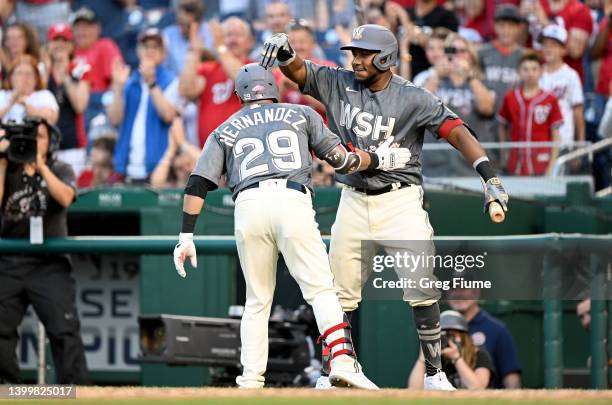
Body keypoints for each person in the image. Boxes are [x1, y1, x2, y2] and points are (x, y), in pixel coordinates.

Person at [261, 23, 509, 390]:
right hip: (353, 198)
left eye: (364, 53)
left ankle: (435, 373)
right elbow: (300, 71)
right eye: (354, 52)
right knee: (337, 291)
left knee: (421, 286)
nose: (356, 60)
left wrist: (488, 176)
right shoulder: (339, 81)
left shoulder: (412, 97)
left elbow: (457, 130)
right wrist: (286, 53)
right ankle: (336, 370)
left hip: (400, 199)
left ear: (386, 58)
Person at [173, 63, 412, 389]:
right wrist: (380, 159)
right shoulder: (300, 113)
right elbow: (342, 160)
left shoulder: (225, 128)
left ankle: (250, 380)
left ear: (240, 95)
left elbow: (197, 184)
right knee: (321, 290)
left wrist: (186, 235)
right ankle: (342, 361)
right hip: (291, 199)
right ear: (272, 87)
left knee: (257, 300)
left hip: (249, 204)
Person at [0, 116, 89, 384]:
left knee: (64, 331)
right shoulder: (7, 166)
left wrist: (39, 166)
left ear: (50, 142)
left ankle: (77, 395)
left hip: (48, 263)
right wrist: (3, 163)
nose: (32, 142)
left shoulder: (60, 167)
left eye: (39, 137)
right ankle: (8, 394)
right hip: (10, 261)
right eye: (28, 136)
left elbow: (65, 198)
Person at [108, 28, 181, 184]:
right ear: (138, 51)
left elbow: (168, 115)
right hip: (126, 168)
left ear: (164, 53)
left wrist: (151, 83)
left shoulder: (171, 81)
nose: (150, 50)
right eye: (146, 46)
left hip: (159, 171)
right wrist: (118, 88)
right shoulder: (128, 81)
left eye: (155, 47)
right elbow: (114, 119)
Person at [179, 17, 254, 146]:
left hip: (243, 150)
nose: (232, 40)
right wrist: (194, 53)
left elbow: (244, 81)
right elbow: (186, 90)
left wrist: (221, 47)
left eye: (237, 35)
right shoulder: (209, 69)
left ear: (249, 42)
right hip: (211, 153)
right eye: (227, 35)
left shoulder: (256, 67)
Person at [498, 51, 563, 175]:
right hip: (515, 163)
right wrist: (504, 153)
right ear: (519, 72)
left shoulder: (550, 99)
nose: (530, 73)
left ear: (541, 71)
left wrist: (552, 165)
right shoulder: (510, 97)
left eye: (534, 69)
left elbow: (556, 135)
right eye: (525, 69)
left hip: (541, 163)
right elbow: (502, 125)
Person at [448, 286, 522, 388]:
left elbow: (511, 376)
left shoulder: (496, 329)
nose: (458, 293)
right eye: (453, 288)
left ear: (476, 292)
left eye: (464, 288)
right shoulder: (439, 329)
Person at [45, 23, 91, 177]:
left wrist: (64, 75)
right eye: (55, 40)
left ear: (71, 46)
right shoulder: (40, 71)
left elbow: (80, 105)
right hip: (44, 146)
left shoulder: (81, 70)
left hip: (73, 146)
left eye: (64, 41)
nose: (60, 45)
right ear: (48, 45)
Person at [408, 310, 495, 389]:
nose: (447, 339)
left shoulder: (478, 355)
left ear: (464, 337)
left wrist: (457, 358)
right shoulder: (435, 359)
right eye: (443, 335)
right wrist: (423, 358)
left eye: (452, 334)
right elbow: (414, 390)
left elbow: (478, 388)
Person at [71, 6, 123, 129]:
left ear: (97, 28)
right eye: (78, 27)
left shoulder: (105, 46)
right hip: (74, 106)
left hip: (99, 104)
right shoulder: (70, 52)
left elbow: (116, 81)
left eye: (86, 27)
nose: (81, 32)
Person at [538, 25, 585, 154]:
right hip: (537, 143)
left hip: (564, 141)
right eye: (545, 45)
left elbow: (578, 112)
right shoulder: (535, 73)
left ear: (563, 49)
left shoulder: (571, 75)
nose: (548, 49)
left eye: (553, 45)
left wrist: (580, 147)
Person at [406, 0, 459, 78]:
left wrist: (406, 22)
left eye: (439, 47)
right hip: (407, 70)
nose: (436, 51)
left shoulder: (446, 16)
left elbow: (452, 46)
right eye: (432, 48)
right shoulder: (405, 12)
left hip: (441, 72)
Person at [0, 55, 59, 124]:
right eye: (20, 73)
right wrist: (10, 104)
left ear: (36, 78)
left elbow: (51, 118)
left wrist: (25, 104)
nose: (24, 78)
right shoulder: (2, 95)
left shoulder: (45, 95)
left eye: (28, 74)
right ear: (11, 77)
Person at [162, 0, 213, 76]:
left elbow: (211, 65)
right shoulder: (168, 34)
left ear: (199, 22)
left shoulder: (210, 32)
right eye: (180, 23)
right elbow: (164, 68)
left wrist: (196, 47)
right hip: (175, 83)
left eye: (187, 25)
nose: (181, 29)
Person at [150, 117, 200, 188]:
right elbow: (156, 183)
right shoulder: (173, 184)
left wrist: (183, 143)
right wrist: (171, 149)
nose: (185, 170)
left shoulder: (203, 182)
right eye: (180, 169)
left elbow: (208, 165)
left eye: (188, 164)